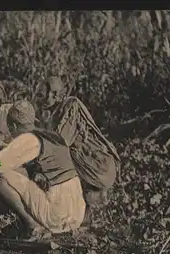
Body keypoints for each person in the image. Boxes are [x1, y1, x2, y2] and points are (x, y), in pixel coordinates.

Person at [0, 100, 87, 242]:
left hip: (56, 216)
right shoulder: (51, 136)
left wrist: (1, 150)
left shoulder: (28, 139)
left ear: (12, 125)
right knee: (20, 173)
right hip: (77, 214)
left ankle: (33, 226)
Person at [40, 76, 120, 212]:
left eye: (44, 94)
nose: (41, 98)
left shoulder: (71, 105)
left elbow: (60, 143)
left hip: (100, 167)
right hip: (93, 167)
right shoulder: (54, 114)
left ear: (57, 95)